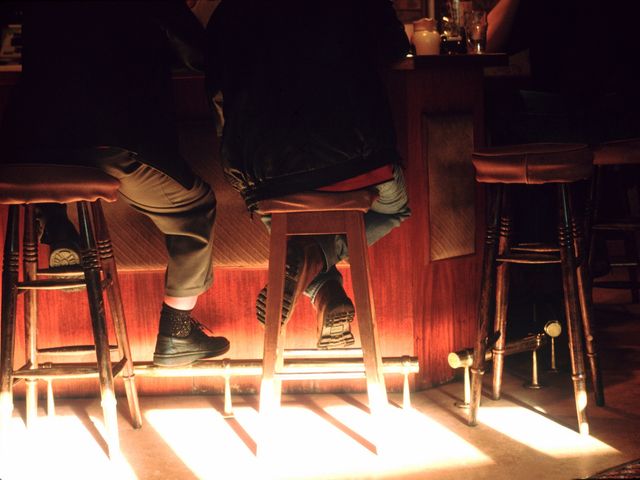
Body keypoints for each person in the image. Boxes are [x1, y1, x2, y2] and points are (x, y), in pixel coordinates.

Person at [0, 1, 229, 367]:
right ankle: (176, 332)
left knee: (53, 164)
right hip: (107, 139)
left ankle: (56, 223)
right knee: (195, 207)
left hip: (22, 146)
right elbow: (200, 55)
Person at [204, 0, 411, 348]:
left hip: (269, 178)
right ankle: (318, 263)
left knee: (289, 223)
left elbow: (216, 94)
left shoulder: (226, 12)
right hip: (359, 164)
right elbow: (395, 48)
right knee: (394, 210)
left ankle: (320, 278)